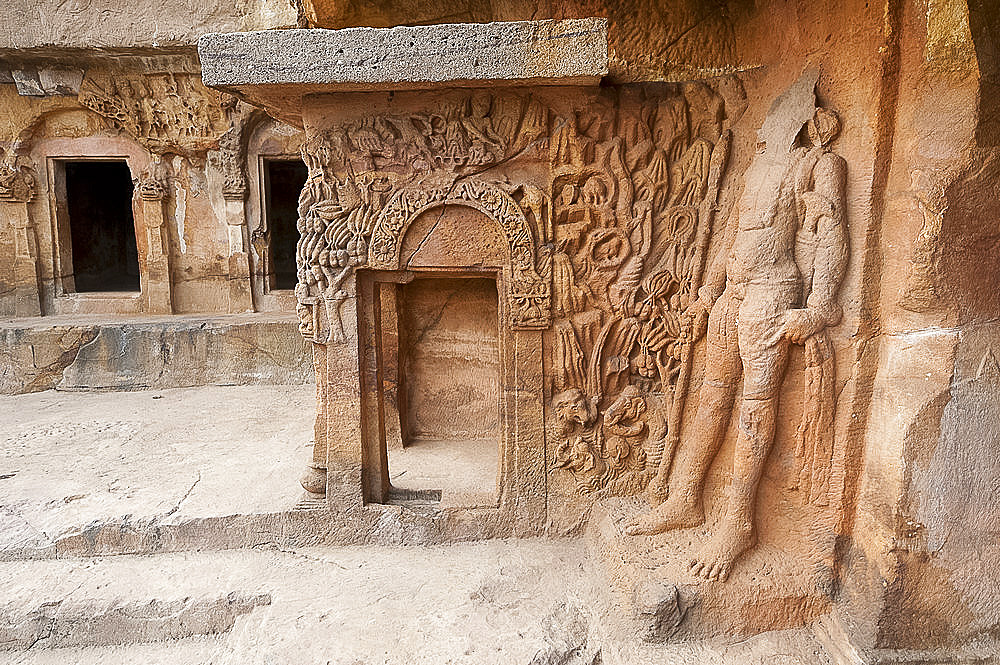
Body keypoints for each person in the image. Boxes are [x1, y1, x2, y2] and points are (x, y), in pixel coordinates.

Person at [625, 105, 848, 584]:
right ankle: (686, 498)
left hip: (772, 292)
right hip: (734, 293)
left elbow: (830, 234)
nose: (768, 126)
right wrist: (708, 293)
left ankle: (737, 521)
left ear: (802, 121)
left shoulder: (817, 164)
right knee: (710, 397)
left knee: (755, 406)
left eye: (778, 118)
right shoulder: (759, 166)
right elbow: (731, 236)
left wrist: (820, 306)